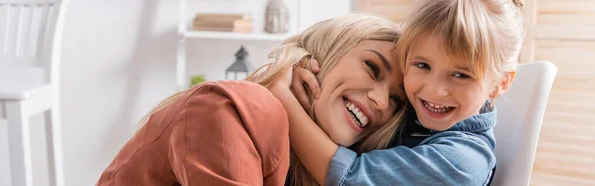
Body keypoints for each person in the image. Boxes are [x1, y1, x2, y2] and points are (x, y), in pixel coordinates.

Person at [96, 14, 406, 186]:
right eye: (372, 67)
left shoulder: (312, 163)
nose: (381, 102)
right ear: (321, 55)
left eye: (395, 100)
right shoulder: (234, 108)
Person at [275, 0, 525, 185]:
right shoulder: (415, 112)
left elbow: (351, 178)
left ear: (501, 82)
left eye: (461, 75)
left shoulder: (463, 162)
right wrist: (303, 60)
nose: (434, 90)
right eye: (422, 65)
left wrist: (281, 94)